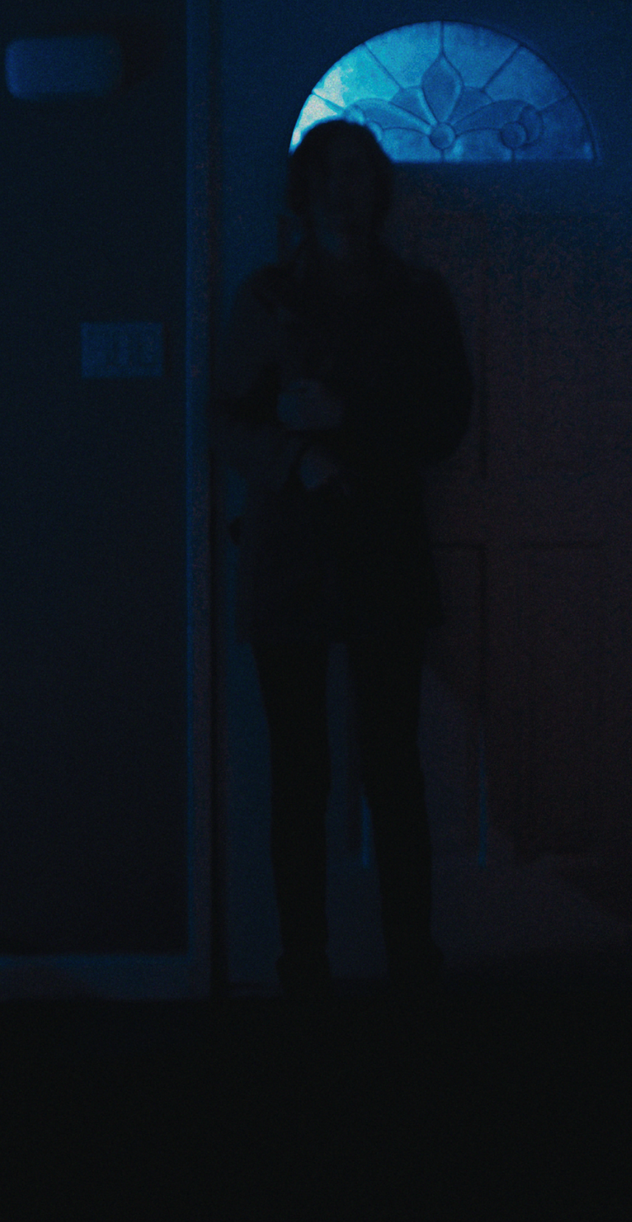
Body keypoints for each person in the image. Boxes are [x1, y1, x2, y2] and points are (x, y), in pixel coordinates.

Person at [214, 121, 473, 998]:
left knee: (392, 768)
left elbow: (446, 423)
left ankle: (412, 958)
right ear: (303, 185)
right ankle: (303, 968)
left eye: (357, 171)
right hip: (289, 554)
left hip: (385, 549)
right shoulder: (267, 296)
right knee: (300, 773)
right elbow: (221, 421)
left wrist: (348, 421)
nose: (341, 187)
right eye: (326, 171)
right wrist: (296, 456)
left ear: (379, 187)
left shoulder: (418, 296)